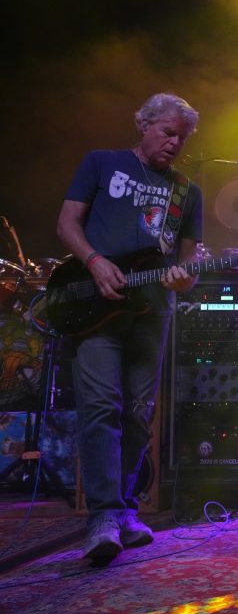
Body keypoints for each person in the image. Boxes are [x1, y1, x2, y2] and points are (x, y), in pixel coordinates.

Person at [56, 93, 203, 564]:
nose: (174, 142)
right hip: (95, 305)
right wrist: (95, 261)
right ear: (143, 123)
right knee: (101, 406)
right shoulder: (102, 163)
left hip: (152, 309)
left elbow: (188, 266)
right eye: (167, 132)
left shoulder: (187, 191)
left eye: (182, 137)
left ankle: (123, 511)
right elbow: (67, 223)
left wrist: (184, 279)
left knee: (139, 413)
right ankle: (102, 516)